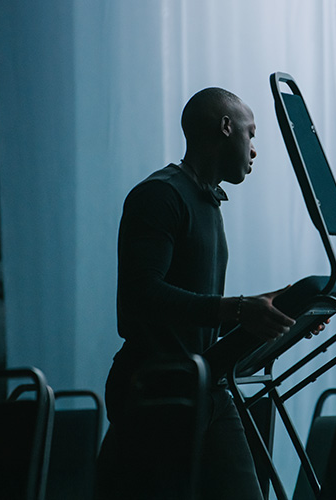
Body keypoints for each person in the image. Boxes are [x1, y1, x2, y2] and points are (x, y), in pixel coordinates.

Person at [96, 88, 298, 499]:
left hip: (204, 386)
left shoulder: (207, 205)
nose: (254, 149)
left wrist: (276, 309)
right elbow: (140, 298)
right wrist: (239, 309)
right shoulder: (161, 196)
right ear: (226, 127)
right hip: (155, 394)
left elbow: (197, 318)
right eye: (251, 134)